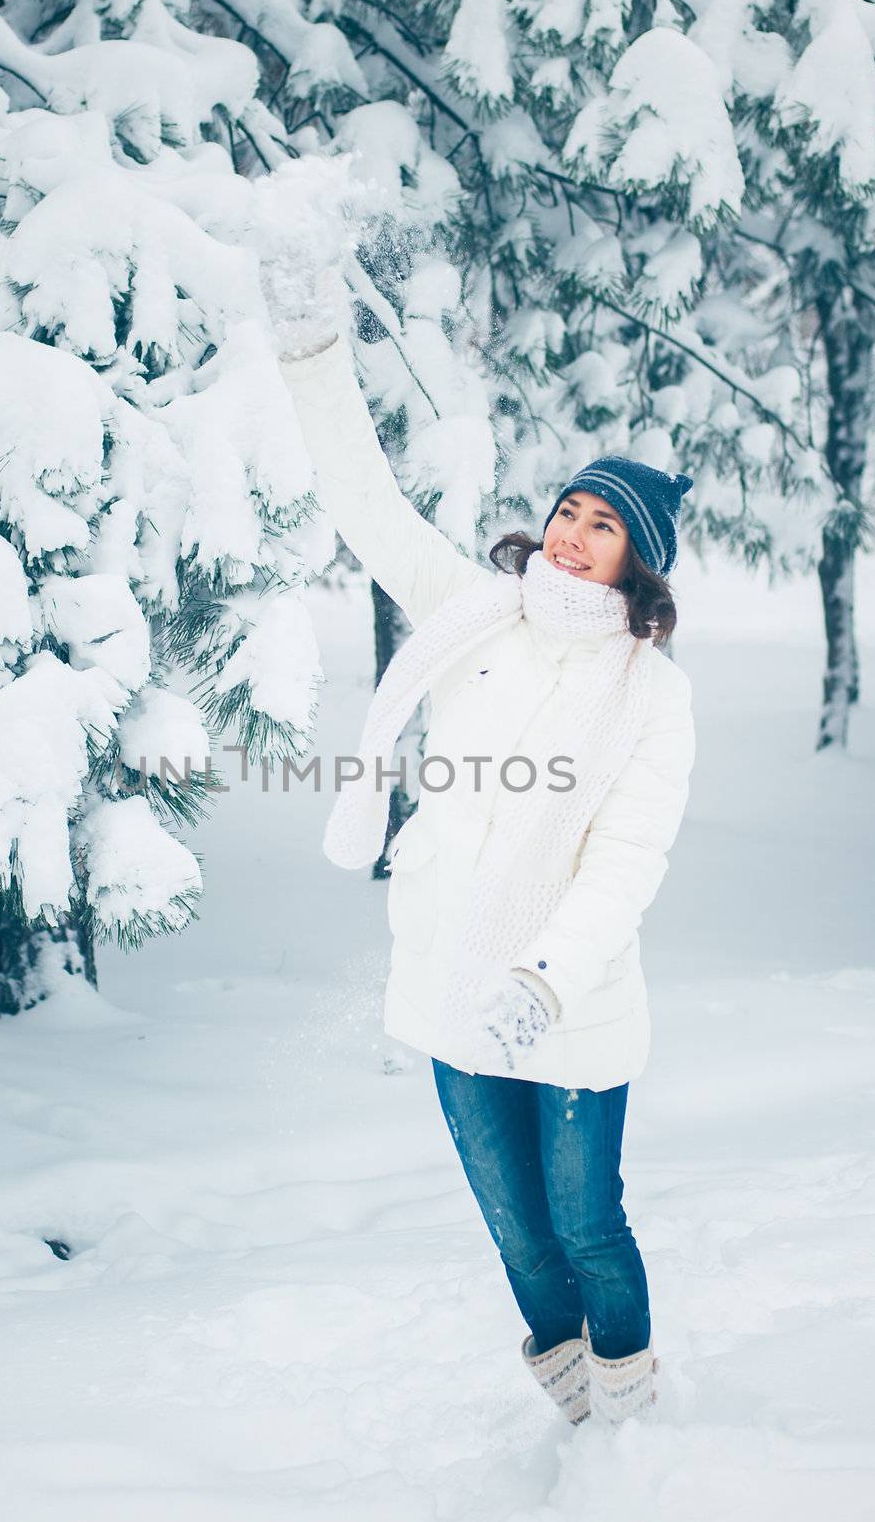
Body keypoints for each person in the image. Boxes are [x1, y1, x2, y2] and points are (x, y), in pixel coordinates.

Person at [257, 225, 696, 1431]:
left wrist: (548, 980)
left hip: (573, 1002)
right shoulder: (473, 615)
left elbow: (626, 860)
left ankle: (636, 1426)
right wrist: (309, 352)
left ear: (634, 568)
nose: (569, 531)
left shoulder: (651, 696)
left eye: (600, 526)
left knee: (584, 1220)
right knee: (512, 1227)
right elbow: (366, 503)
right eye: (566, 510)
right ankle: (578, 1419)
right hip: (452, 980)